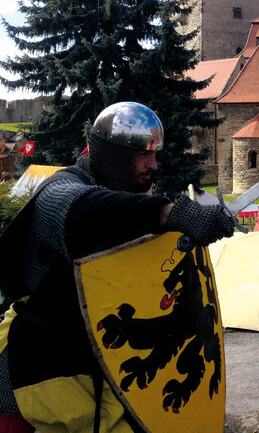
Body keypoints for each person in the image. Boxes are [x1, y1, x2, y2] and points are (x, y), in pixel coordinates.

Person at [0, 102, 238, 432]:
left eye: (155, 154)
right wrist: (167, 213)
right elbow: (85, 214)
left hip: (99, 364)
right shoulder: (62, 189)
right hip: (34, 361)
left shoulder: (128, 200)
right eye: (142, 154)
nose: (153, 164)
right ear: (111, 154)